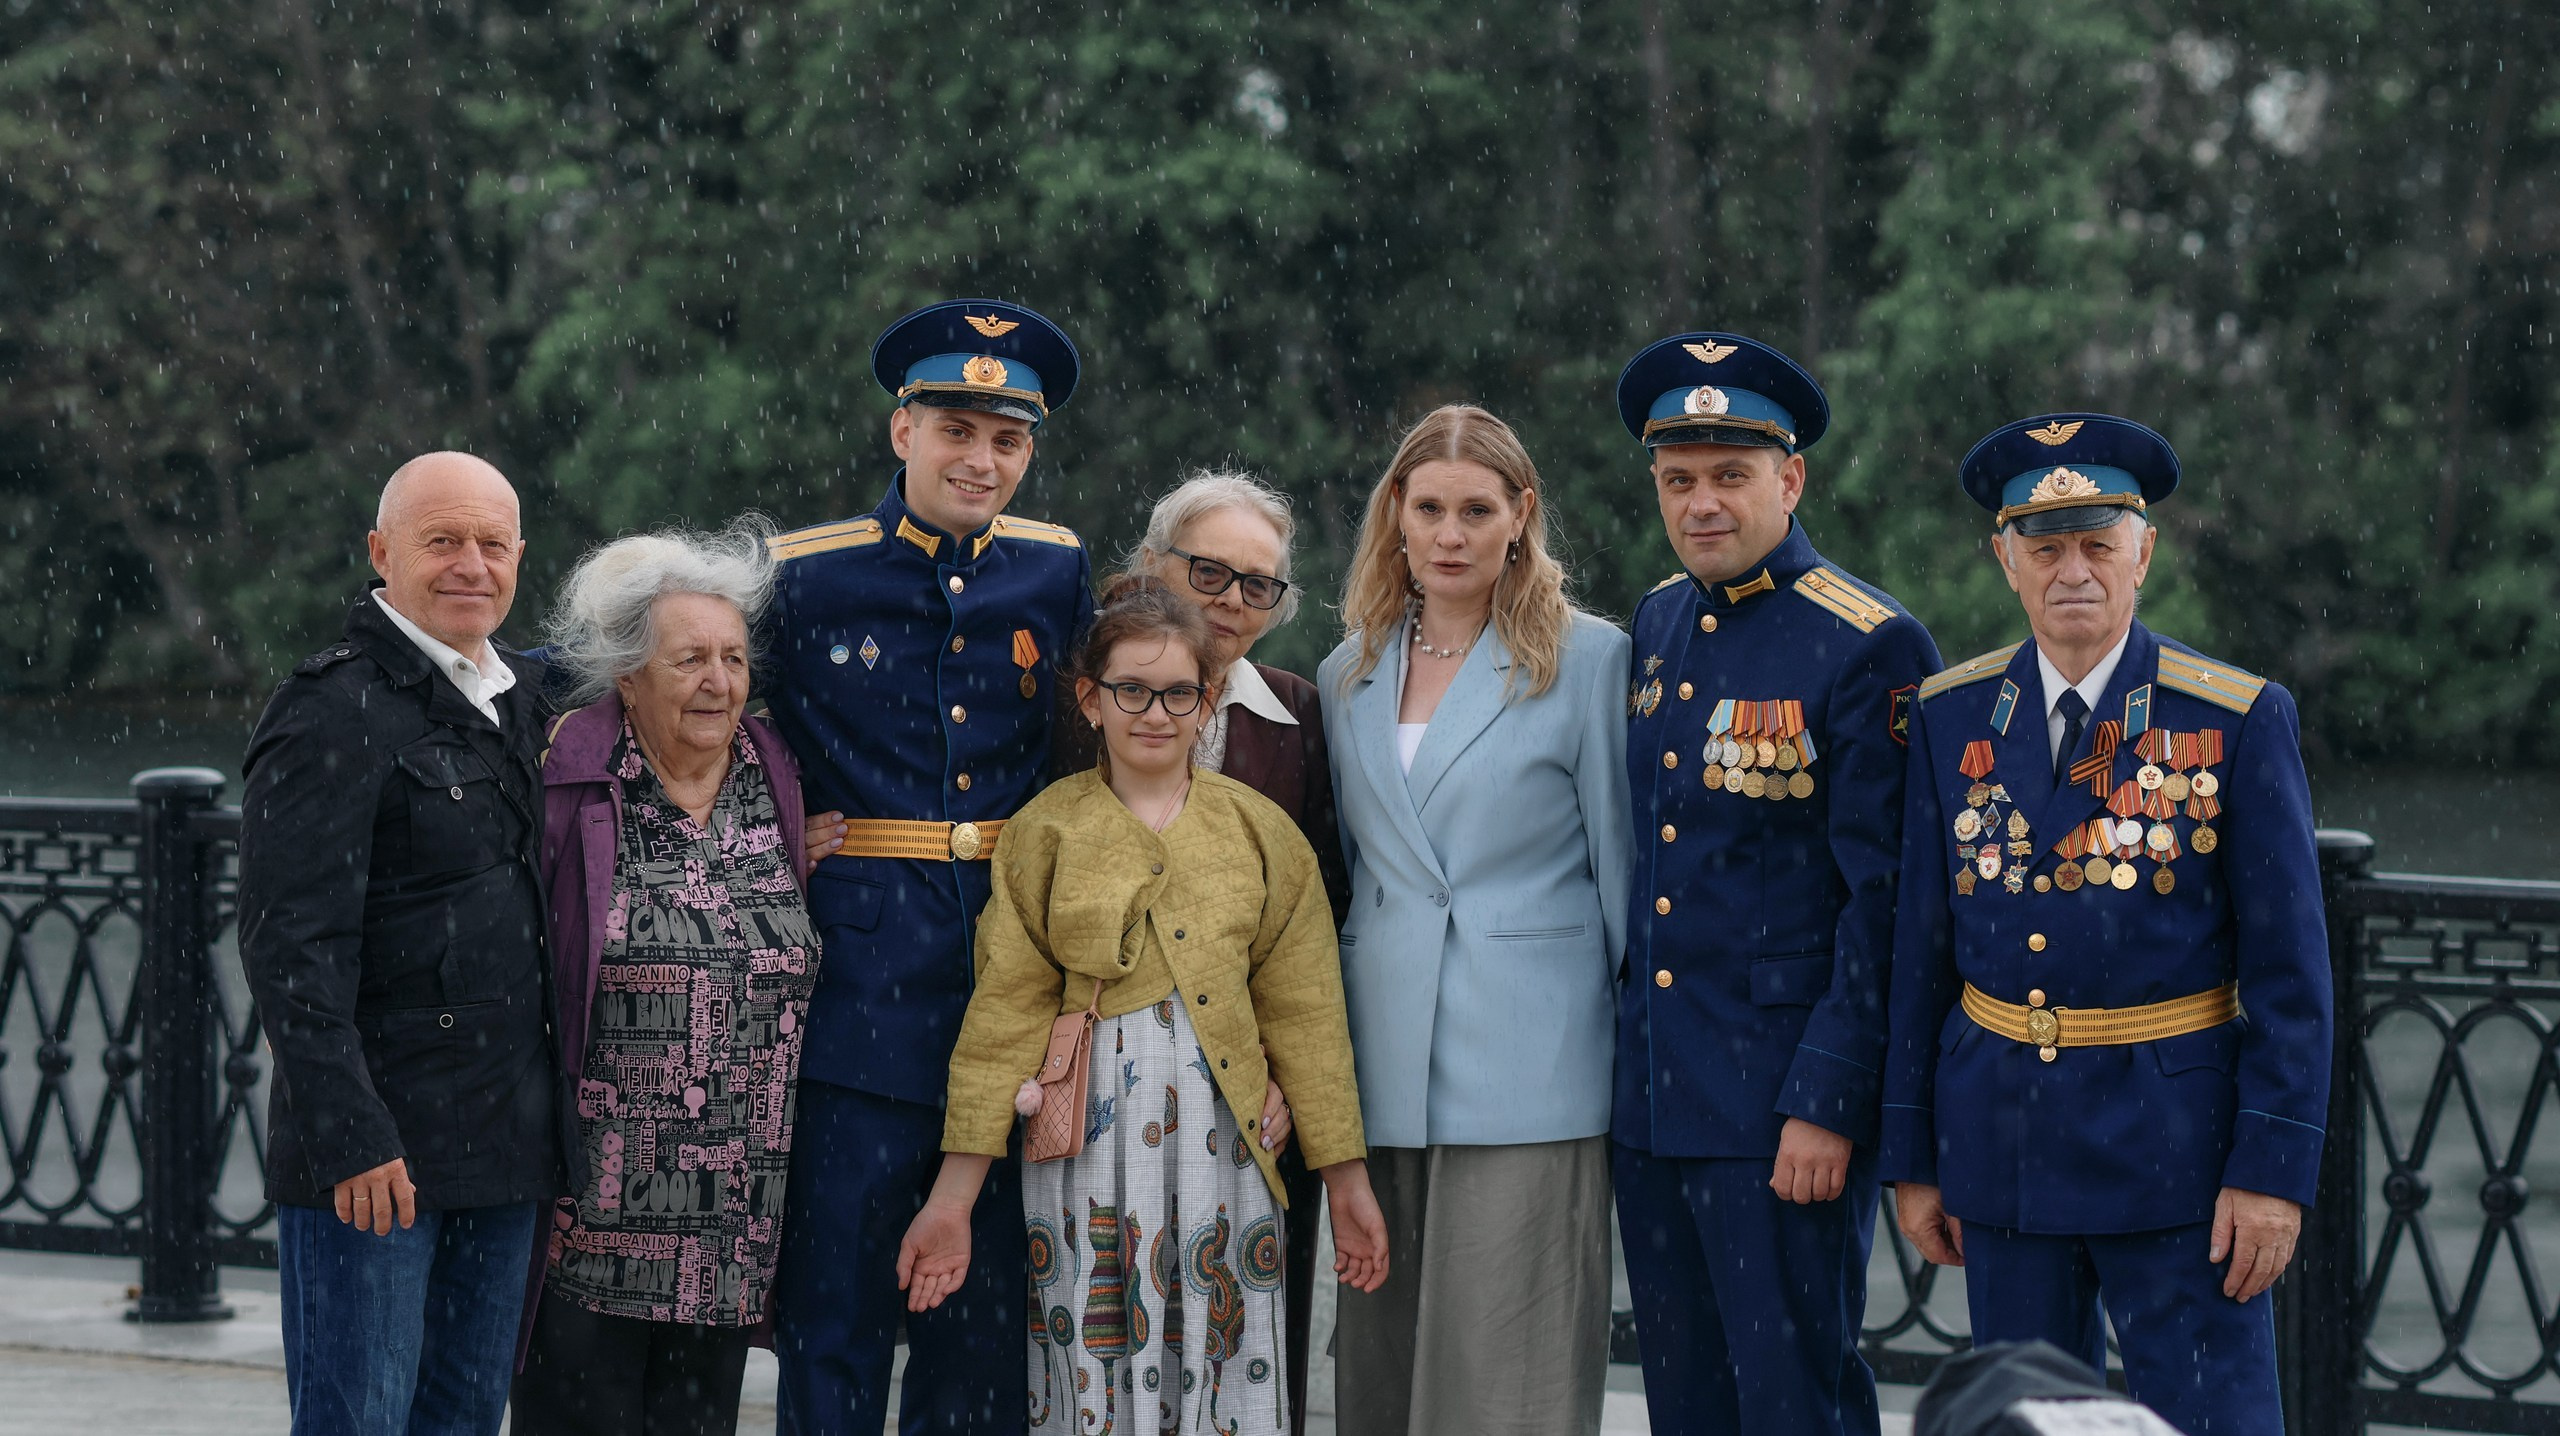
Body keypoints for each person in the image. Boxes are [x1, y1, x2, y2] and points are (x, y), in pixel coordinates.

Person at [1882, 413, 2332, 1435]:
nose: (2071, 570)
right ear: (2005, 560)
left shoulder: (2233, 716)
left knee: (2214, 1420)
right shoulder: (1950, 716)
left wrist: (2271, 1174)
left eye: (2096, 543)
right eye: (2044, 547)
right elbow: (1918, 951)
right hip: (2004, 1146)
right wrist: (1912, 1156)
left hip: (2178, 1151)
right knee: (2021, 1421)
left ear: (2144, 551)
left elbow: (2290, 974)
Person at [898, 583, 1390, 1435]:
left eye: (1178, 693)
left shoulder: (1263, 835)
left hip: (1229, 1149)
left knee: (1222, 1357)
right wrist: (952, 1201)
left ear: (1209, 700)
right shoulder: (1045, 833)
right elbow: (1003, 1018)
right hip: (1084, 1149)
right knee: (1092, 1356)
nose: (1154, 713)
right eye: (1130, 690)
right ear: (1090, 699)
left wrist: (1346, 1180)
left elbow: (1306, 1016)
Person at [760, 299, 1096, 1434]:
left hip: (1009, 983)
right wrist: (775, 817)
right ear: (902, 431)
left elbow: (1101, 733)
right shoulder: (800, 576)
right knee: (835, 1313)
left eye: (1007, 439)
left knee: (983, 1331)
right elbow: (686, 699)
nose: (982, 458)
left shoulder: (1055, 572)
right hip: (854, 992)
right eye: (957, 428)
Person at [1607, 333, 1941, 1436]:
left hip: (1777, 1107)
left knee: (1793, 1400)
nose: (1702, 503)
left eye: (1730, 476)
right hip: (1656, 1096)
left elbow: (1883, 901)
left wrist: (1828, 1099)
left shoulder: (1866, 643)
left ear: (1788, 479)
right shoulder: (1655, 621)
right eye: (1679, 480)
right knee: (1685, 1403)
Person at [238, 451, 571, 1435]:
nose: (471, 563)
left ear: (519, 556)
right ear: (382, 553)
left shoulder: (525, 700)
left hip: (507, 1141)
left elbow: (686, 719)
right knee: (359, 1421)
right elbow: (288, 945)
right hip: (378, 1154)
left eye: (492, 543)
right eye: (442, 541)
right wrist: (352, 1136)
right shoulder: (327, 711)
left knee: (465, 1417)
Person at [1318, 403, 1632, 1436]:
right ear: (1395, 517)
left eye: (1476, 509)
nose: (1450, 534)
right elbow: (1366, 872)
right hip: (1382, 1054)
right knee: (1377, 1367)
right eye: (1429, 508)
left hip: (1530, 1062)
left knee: (1507, 1381)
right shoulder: (1345, 670)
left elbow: (1619, 870)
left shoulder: (1586, 661)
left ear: (1519, 516)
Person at [508, 522, 819, 1436]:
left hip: (732, 1221)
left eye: (732, 657)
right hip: (594, 1217)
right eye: (688, 660)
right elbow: (530, 986)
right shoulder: (572, 782)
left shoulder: (773, 771)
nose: (717, 682)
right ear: (629, 679)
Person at [1125, 469, 1346, 1436]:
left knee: (1246, 1348)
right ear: (1150, 565)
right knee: (1105, 1329)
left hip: (1250, 1086)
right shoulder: (1077, 692)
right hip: (1099, 1071)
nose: (1232, 599)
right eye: (1209, 570)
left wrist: (1294, 1075)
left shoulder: (1298, 716)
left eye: (1260, 584)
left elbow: (1320, 916)